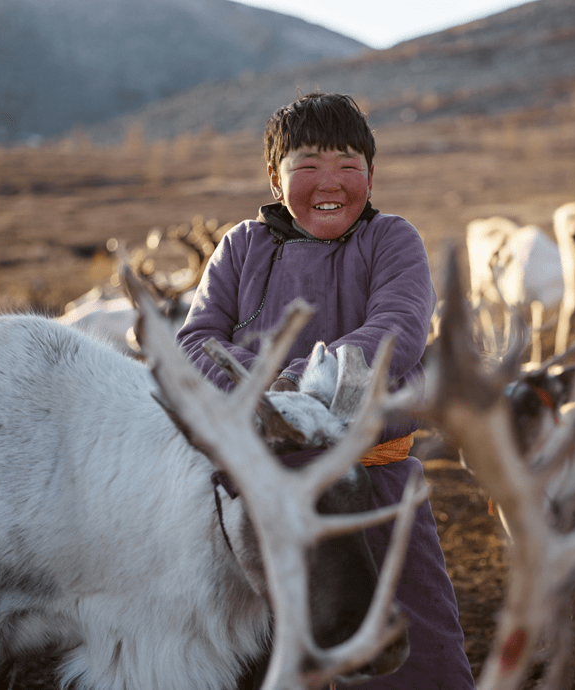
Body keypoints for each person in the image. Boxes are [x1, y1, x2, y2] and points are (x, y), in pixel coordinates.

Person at [176, 92, 476, 690]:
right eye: (308, 165)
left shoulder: (391, 240)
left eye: (348, 165)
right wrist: (270, 394)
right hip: (256, 492)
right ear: (275, 175)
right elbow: (196, 341)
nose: (329, 182)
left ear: (371, 173)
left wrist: (302, 389)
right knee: (251, 654)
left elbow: (398, 330)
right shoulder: (240, 247)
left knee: (414, 654)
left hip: (375, 484)